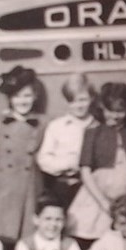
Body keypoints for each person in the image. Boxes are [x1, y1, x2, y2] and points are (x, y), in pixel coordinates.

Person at [67, 82, 126, 249]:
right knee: (96, 240)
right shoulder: (93, 132)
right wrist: (103, 202)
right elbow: (85, 171)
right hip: (98, 197)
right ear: (101, 108)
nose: (114, 115)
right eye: (109, 110)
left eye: (120, 111)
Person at [0, 66, 45, 245]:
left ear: (35, 96)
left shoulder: (43, 123)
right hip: (3, 189)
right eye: (17, 96)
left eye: (27, 95)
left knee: (28, 240)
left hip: (30, 189)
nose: (22, 101)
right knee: (0, 240)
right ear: (9, 99)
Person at [37, 73, 98, 209]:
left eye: (83, 100)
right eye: (72, 101)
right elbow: (43, 159)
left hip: (94, 187)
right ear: (66, 101)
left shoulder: (99, 126)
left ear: (92, 99)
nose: (78, 105)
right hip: (63, 186)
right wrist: (69, 163)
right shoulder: (56, 126)